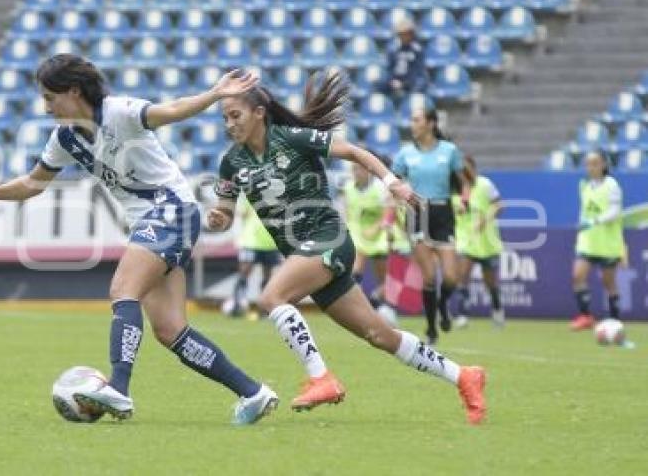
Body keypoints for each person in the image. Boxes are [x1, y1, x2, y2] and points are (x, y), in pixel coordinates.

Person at [0, 54, 278, 425]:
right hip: (152, 221)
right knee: (170, 331)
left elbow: (174, 110)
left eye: (51, 97)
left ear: (73, 91)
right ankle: (254, 393)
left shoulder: (119, 112)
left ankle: (117, 388)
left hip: (172, 208)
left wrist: (215, 94)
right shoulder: (65, 138)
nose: (46, 107)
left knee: (122, 290)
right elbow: (34, 183)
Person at [207, 72, 487, 425]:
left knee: (271, 297)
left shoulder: (292, 139)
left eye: (236, 115)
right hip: (306, 254)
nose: (230, 124)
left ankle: (321, 378)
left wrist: (391, 182)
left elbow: (354, 152)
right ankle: (464, 377)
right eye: (225, 118)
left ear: (259, 113)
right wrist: (217, 218)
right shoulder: (232, 162)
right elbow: (226, 212)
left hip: (328, 239)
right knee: (379, 335)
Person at [392, 108, 470, 345]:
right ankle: (431, 327)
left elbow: (464, 182)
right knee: (428, 277)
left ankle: (443, 303)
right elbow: (394, 183)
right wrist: (398, 201)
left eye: (416, 120)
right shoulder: (405, 154)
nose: (412, 124)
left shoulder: (449, 151)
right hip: (417, 212)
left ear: (431, 123)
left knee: (451, 277)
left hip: (443, 213)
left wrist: (465, 199)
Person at [570, 150, 625, 331]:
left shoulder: (612, 185)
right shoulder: (584, 185)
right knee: (577, 276)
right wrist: (581, 228)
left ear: (604, 165)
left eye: (595, 163)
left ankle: (615, 321)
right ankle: (586, 316)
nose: (591, 168)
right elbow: (585, 211)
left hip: (608, 243)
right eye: (588, 164)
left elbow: (614, 211)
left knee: (608, 283)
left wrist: (594, 221)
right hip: (588, 241)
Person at [451, 155, 506, 329]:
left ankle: (497, 308)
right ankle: (462, 313)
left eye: (467, 169)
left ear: (473, 169)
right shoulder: (454, 190)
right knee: (462, 276)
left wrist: (485, 219)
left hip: (487, 241)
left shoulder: (485, 184)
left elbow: (499, 206)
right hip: (466, 240)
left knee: (490, 282)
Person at [340, 160, 392, 307]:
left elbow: (389, 212)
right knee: (355, 272)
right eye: (354, 169)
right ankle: (357, 305)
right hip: (357, 234)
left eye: (360, 169)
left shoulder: (380, 187)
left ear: (369, 171)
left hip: (378, 236)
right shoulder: (348, 188)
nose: (357, 173)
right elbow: (347, 213)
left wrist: (378, 227)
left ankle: (376, 301)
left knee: (384, 282)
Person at [224, 197, 280, 317]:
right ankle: (237, 305)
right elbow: (242, 213)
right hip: (250, 241)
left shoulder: (276, 197)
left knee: (267, 278)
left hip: (270, 242)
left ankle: (265, 309)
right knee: (244, 273)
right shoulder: (250, 194)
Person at [379, 18, 428, 98]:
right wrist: (392, 81)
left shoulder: (417, 50)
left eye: (407, 33)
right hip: (394, 81)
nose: (405, 36)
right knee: (379, 83)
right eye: (402, 34)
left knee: (421, 83)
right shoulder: (393, 49)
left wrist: (404, 84)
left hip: (410, 81)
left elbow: (418, 71)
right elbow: (389, 68)